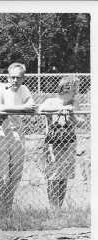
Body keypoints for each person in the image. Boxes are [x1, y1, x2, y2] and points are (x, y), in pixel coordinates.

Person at [0, 62, 37, 213]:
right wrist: (23, 108)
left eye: (19, 78)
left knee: (15, 175)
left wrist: (18, 109)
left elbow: (33, 106)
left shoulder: (23, 89)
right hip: (0, 133)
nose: (15, 80)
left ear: (23, 78)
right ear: (8, 76)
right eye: (13, 77)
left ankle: (7, 210)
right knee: (1, 175)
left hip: (17, 135)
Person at [39, 77, 78, 207]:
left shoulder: (74, 103)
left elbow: (80, 122)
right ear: (66, 89)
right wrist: (57, 111)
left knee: (64, 176)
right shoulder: (51, 101)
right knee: (53, 176)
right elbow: (39, 110)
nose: (76, 92)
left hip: (68, 144)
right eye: (74, 89)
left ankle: (58, 207)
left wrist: (71, 113)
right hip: (53, 144)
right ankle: (52, 207)